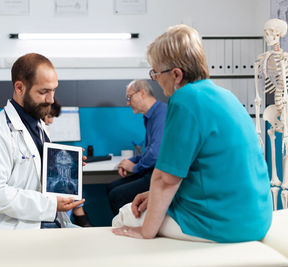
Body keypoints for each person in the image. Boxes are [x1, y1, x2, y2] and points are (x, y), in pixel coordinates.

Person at [113, 24, 272, 243]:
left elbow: (166, 180)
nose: (156, 80)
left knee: (124, 216)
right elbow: (210, 171)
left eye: (156, 73)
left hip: (225, 225)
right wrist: (153, 197)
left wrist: (145, 232)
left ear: (176, 74)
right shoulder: (224, 95)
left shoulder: (184, 100)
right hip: (256, 219)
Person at [0, 53, 85, 230]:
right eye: (44, 92)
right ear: (19, 88)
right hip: (8, 232)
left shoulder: (38, 125)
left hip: (40, 222)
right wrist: (50, 205)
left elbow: (32, 174)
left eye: (54, 90)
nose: (51, 99)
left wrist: (62, 163)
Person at [106, 80, 167, 216]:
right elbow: (149, 151)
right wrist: (132, 161)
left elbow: (155, 154)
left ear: (142, 93)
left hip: (160, 175)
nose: (128, 103)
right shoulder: (151, 116)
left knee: (117, 195)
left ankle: (129, 229)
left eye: (129, 97)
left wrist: (134, 168)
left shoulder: (161, 114)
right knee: (111, 188)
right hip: (152, 171)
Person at [43, 100, 93, 227]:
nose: (51, 121)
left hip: (62, 215)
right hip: (45, 215)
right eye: (49, 116)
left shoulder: (43, 134)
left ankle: (85, 226)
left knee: (74, 198)